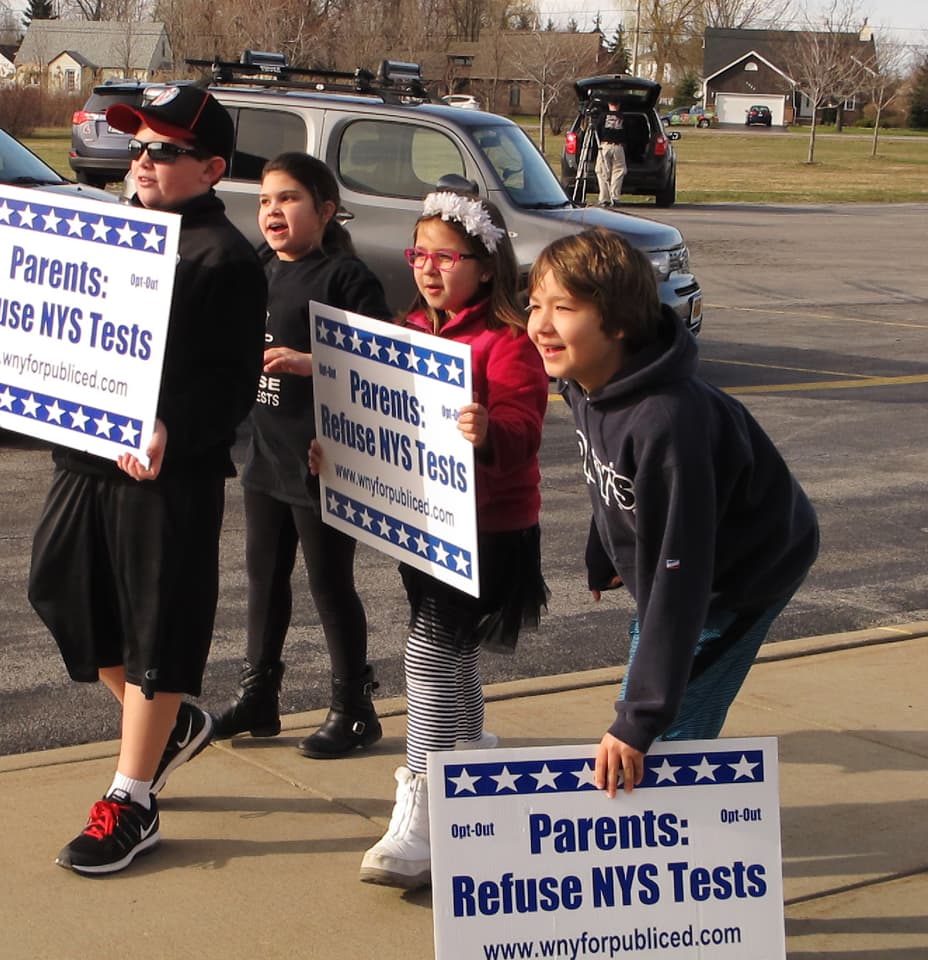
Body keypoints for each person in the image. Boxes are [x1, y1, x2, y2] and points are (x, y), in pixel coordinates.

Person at [0, 84, 266, 875]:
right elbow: (41, 326)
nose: (142, 161)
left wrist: (170, 429)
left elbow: (231, 384)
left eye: (163, 150)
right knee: (59, 592)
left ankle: (132, 798)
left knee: (157, 627)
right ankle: (165, 725)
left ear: (211, 167)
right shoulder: (105, 231)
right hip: (84, 459)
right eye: (137, 145)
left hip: (164, 476)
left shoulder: (223, 257)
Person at [526, 227, 819, 798]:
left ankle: (688, 842)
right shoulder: (584, 383)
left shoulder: (667, 422)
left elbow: (681, 576)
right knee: (654, 688)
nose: (540, 323)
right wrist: (602, 553)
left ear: (618, 324)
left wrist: (637, 720)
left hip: (743, 571)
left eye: (564, 308)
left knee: (670, 727)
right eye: (536, 304)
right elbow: (608, 473)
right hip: (685, 560)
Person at [347, 189, 550, 888]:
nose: (428, 268)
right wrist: (345, 453)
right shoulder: (410, 327)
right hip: (424, 524)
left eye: (445, 257)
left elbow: (525, 429)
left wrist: (491, 429)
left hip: (488, 530)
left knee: (429, 656)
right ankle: (469, 773)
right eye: (419, 254)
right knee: (454, 658)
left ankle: (426, 814)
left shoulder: (508, 341)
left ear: (487, 267)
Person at [208, 153, 392, 759]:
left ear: (325, 210)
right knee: (263, 578)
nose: (272, 211)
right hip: (267, 453)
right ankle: (259, 694)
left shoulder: (344, 278)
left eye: (288, 199)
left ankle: (354, 708)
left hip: (324, 458)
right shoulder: (259, 266)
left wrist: (309, 362)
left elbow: (382, 365)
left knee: (329, 583)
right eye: (265, 201)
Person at [594, 100, 627, 206]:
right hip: (618, 147)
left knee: (602, 171)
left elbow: (596, 130)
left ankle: (604, 198)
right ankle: (615, 196)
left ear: (609, 104)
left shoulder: (603, 116)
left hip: (605, 146)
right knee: (618, 171)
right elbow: (628, 133)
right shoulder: (623, 117)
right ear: (619, 105)